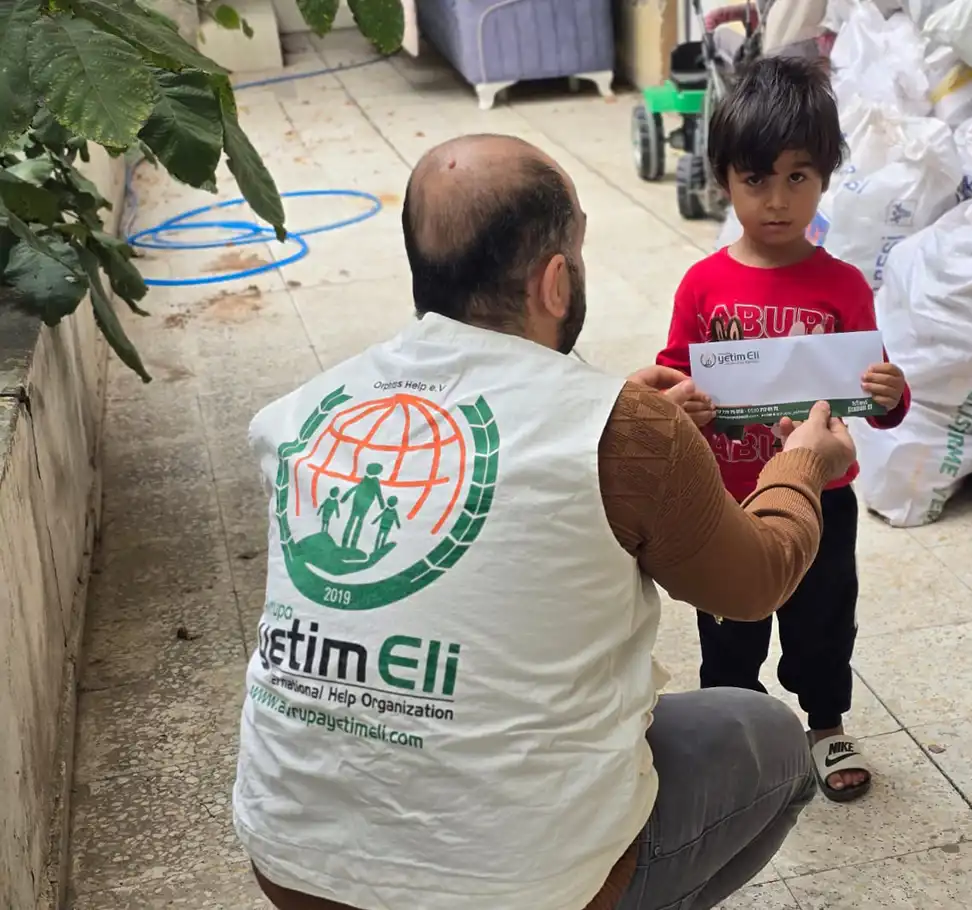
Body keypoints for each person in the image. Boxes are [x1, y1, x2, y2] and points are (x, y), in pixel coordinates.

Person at [233, 133, 858, 910]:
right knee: (765, 739)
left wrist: (630, 430)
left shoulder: (303, 414)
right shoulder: (623, 432)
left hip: (293, 866)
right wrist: (800, 466)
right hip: (521, 889)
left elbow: (494, 445)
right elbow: (755, 583)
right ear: (556, 281)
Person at [657, 56, 909, 804]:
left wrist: (890, 393)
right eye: (755, 178)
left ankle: (825, 726)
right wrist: (682, 400)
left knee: (822, 620)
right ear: (724, 179)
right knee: (729, 628)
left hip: (823, 495)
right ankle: (733, 736)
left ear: (825, 176)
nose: (776, 200)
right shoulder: (703, 284)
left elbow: (877, 395)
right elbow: (672, 373)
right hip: (723, 500)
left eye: (798, 177)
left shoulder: (841, 285)